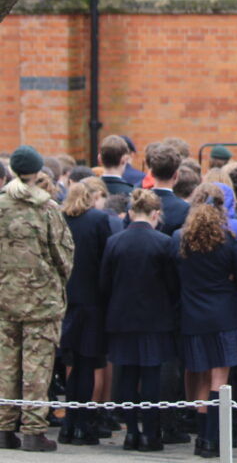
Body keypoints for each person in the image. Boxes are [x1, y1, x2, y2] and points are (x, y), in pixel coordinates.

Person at [0, 145, 74, 452]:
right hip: (41, 301)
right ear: (37, 171)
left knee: (5, 365)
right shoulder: (47, 208)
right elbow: (64, 255)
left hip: (3, 297)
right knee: (37, 366)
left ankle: (3, 428)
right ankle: (33, 430)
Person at [173, 183, 237, 458]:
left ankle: (202, 440)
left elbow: (175, 278)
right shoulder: (228, 239)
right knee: (220, 380)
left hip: (193, 316)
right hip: (224, 316)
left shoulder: (180, 238)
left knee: (202, 379)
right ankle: (213, 439)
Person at [100, 189, 179, 452]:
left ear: (132, 212)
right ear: (156, 213)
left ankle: (131, 432)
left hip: (121, 318)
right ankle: (150, 433)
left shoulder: (115, 242)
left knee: (127, 375)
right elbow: (172, 284)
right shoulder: (164, 242)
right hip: (155, 319)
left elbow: (105, 284)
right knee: (151, 376)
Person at [59, 182, 112, 445]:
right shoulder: (99, 220)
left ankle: (69, 424)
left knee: (73, 365)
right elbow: (105, 260)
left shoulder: (60, 218)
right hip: (92, 302)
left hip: (67, 302)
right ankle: (83, 425)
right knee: (89, 365)